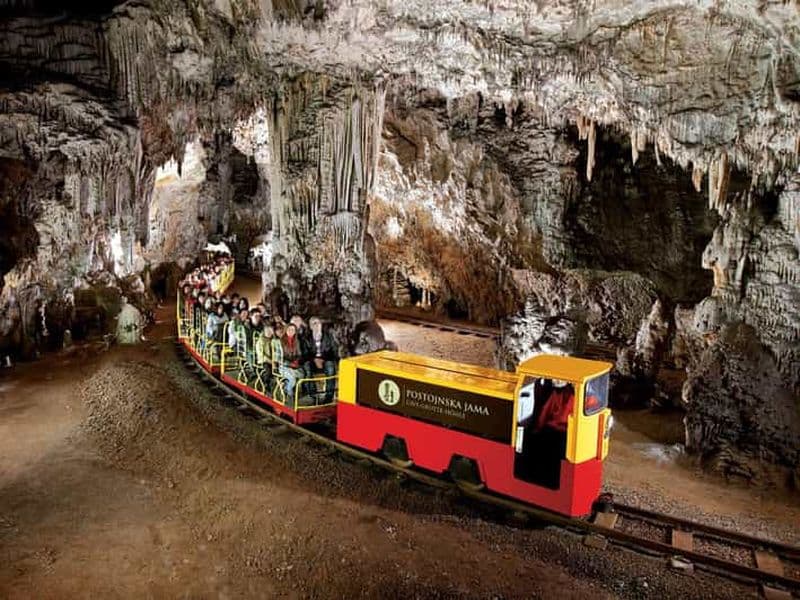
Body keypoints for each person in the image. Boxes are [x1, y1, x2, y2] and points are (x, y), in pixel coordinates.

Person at [304, 316, 338, 402]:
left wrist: (324, 359)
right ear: (311, 327)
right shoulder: (306, 338)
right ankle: (313, 395)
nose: (317, 325)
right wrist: (314, 359)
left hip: (325, 360)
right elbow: (305, 353)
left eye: (318, 323)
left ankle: (328, 397)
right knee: (307, 367)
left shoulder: (328, 336)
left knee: (330, 367)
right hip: (312, 361)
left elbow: (333, 351)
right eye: (314, 324)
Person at [280, 323, 306, 405]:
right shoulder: (280, 341)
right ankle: (289, 395)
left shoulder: (297, 341)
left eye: (293, 330)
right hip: (283, 365)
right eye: (289, 330)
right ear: (286, 330)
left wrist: (297, 361)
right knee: (292, 379)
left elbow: (299, 354)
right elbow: (280, 357)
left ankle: (286, 386)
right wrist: (290, 363)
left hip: (295, 364)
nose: (291, 331)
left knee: (302, 375)